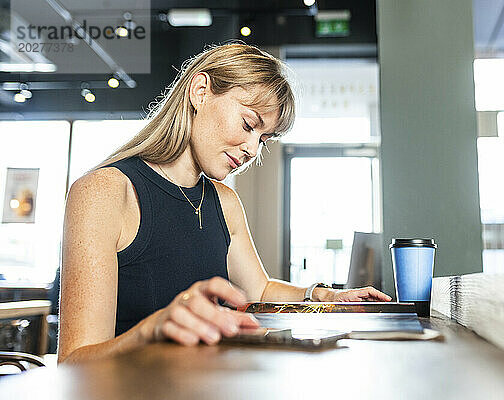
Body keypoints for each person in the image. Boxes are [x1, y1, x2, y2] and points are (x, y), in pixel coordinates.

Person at [58, 43, 391, 364]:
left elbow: (259, 289)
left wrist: (326, 296)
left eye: (263, 139)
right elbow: (74, 362)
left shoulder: (224, 201)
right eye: (248, 125)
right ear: (200, 90)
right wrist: (153, 330)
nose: (252, 150)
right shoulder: (104, 192)